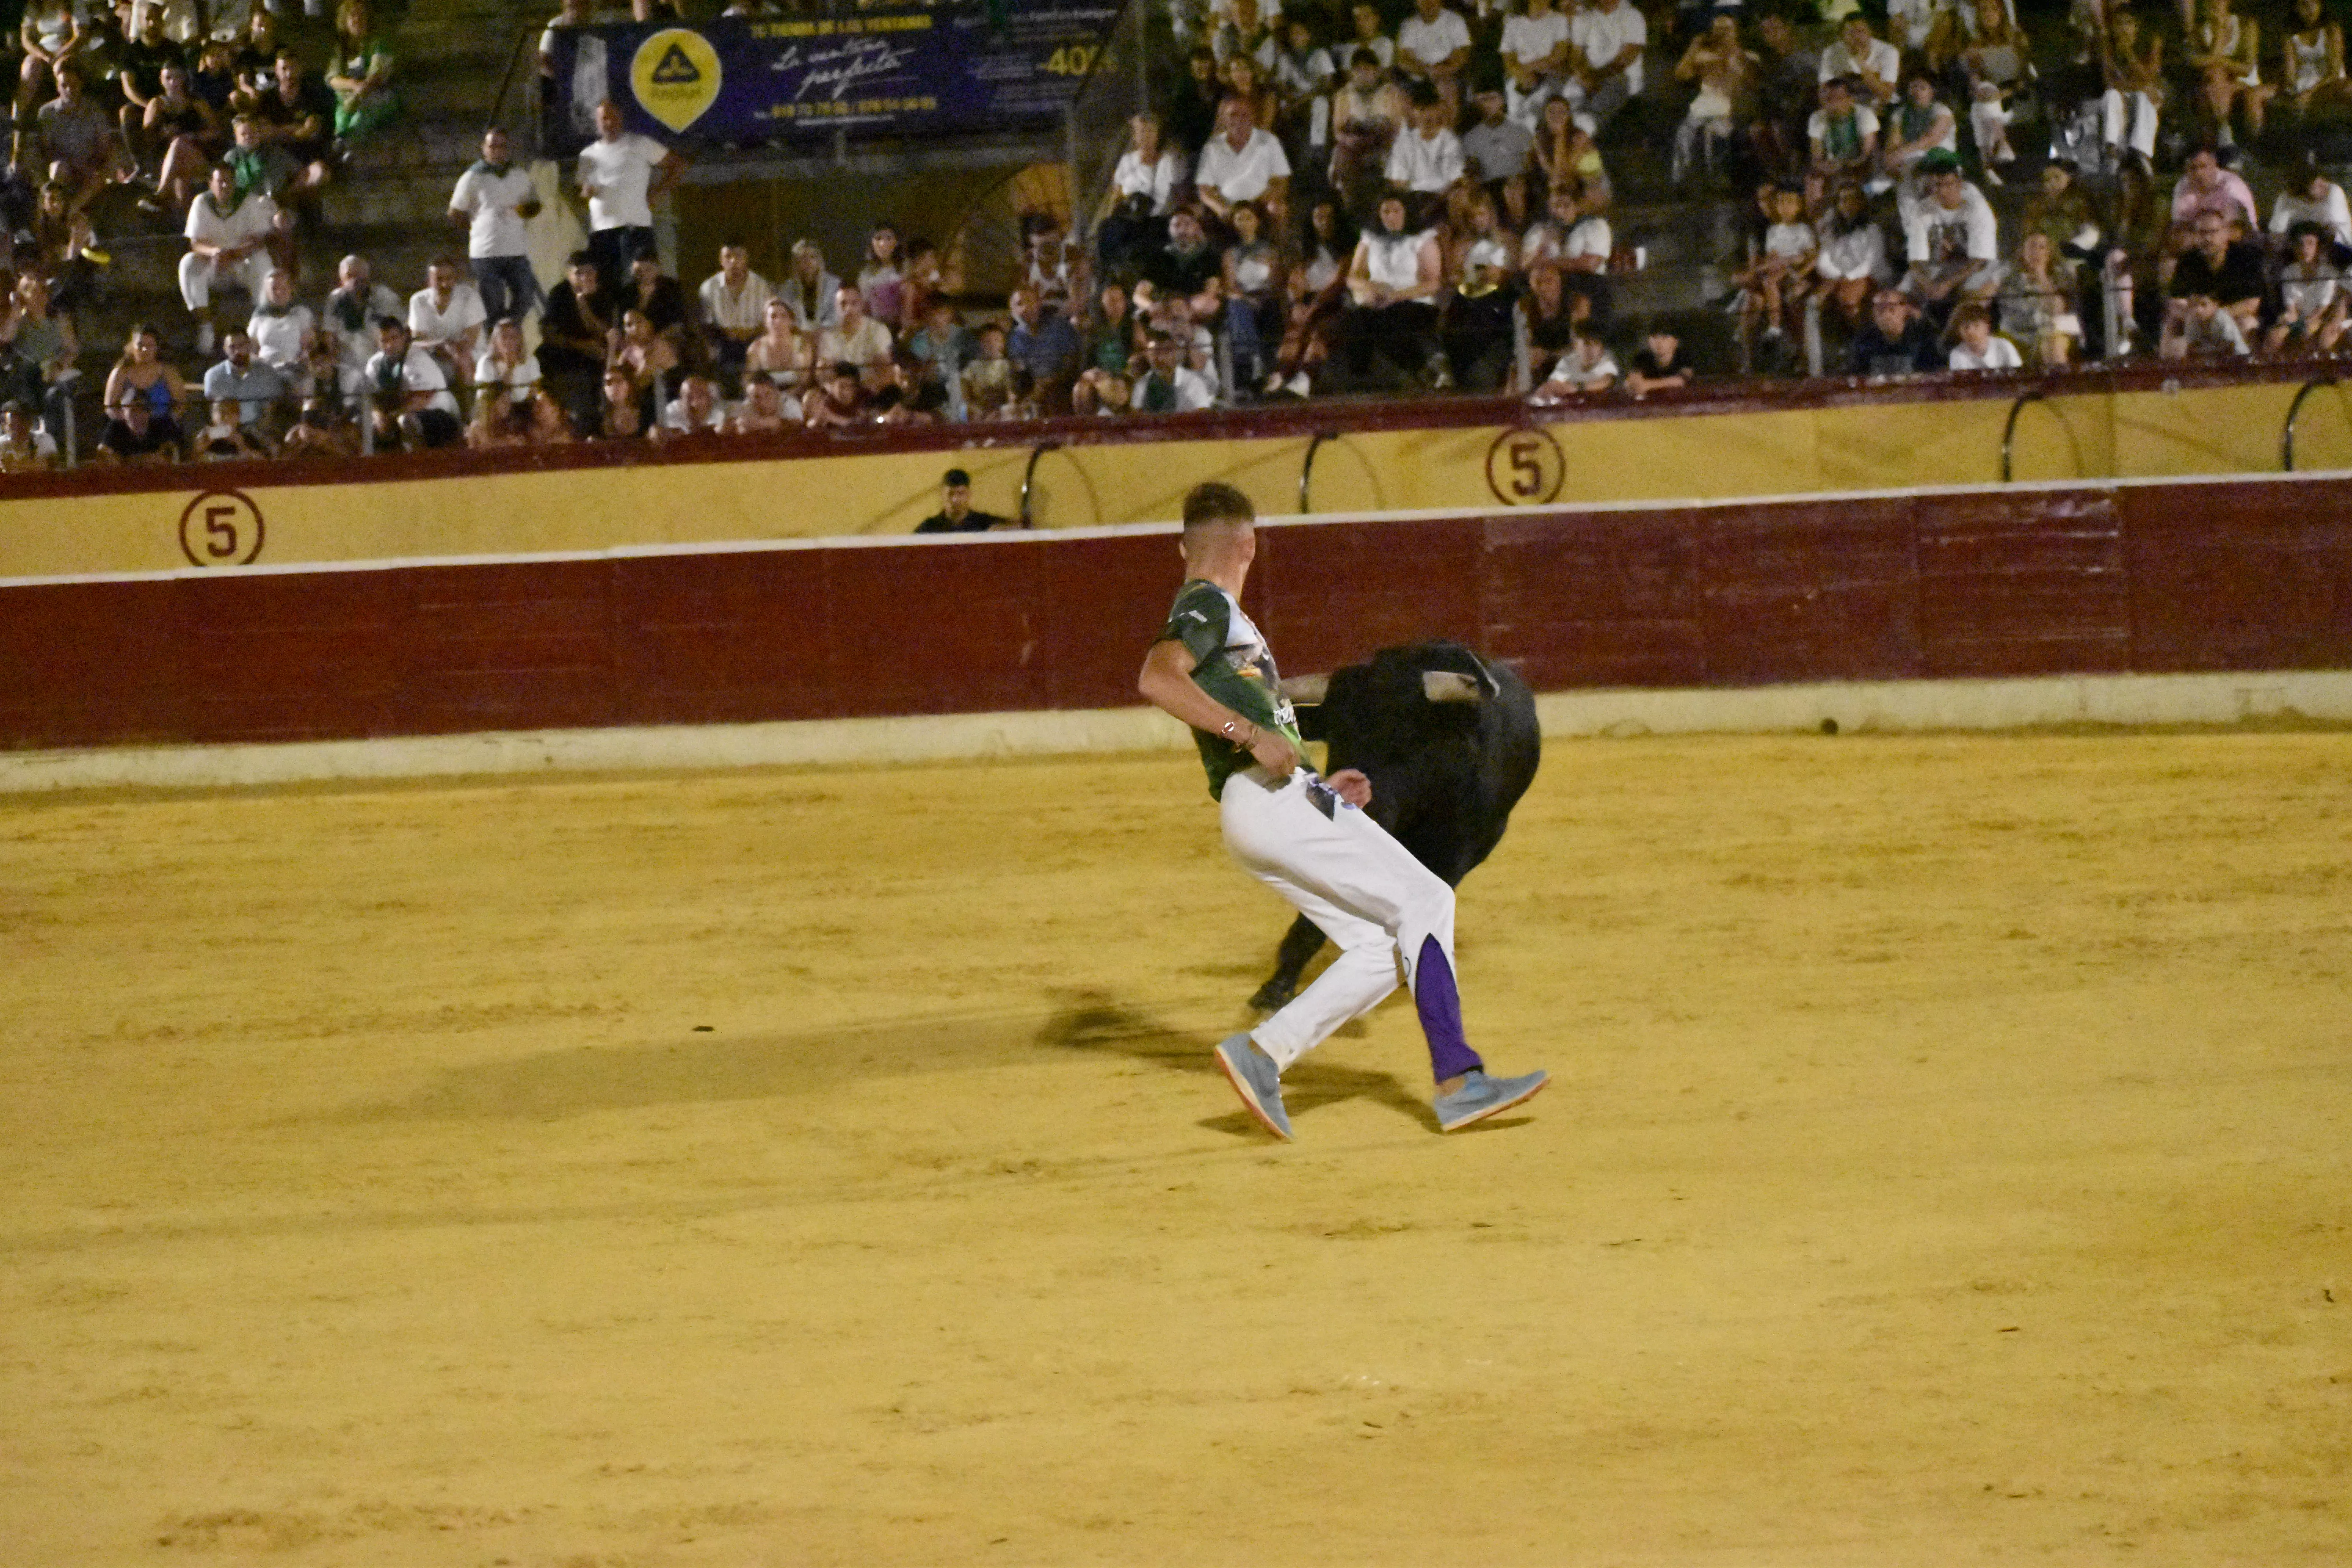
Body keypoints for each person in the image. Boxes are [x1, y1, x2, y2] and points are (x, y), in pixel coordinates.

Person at [1134, 480, 1550, 1142]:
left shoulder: (1224, 619)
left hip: (1277, 802)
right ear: (1250, 544)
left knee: (1383, 945)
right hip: (1264, 798)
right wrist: (1252, 738)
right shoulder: (1209, 606)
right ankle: (1459, 1081)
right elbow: (1157, 677)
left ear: (1184, 545)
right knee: (1429, 900)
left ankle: (1264, 1054)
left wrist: (1322, 785)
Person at [575, 98, 684, 285]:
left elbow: (678, 165)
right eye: (604, 119)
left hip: (635, 228)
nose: (609, 123)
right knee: (606, 288)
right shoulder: (587, 155)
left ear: (621, 119)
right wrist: (585, 192)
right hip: (601, 231)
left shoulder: (640, 144)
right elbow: (582, 191)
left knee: (638, 286)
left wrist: (656, 195)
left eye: (613, 118)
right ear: (597, 122)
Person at [181, 161, 284, 356]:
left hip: (243, 264)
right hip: (215, 266)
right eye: (220, 182)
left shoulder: (249, 201)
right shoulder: (201, 203)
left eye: (229, 182)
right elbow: (195, 243)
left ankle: (261, 326)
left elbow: (259, 241)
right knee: (188, 263)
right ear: (210, 183)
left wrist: (233, 254)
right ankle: (206, 330)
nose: (225, 186)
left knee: (262, 262)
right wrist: (214, 253)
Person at [448, 126, 544, 325]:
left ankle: (509, 329)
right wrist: (476, 228)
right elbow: (455, 212)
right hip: (486, 253)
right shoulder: (472, 177)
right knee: (493, 304)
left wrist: (522, 211)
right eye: (493, 146)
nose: (498, 151)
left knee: (526, 295)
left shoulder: (518, 175)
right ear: (484, 148)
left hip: (516, 250)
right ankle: (497, 338)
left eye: (502, 146)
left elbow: (534, 204)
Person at [363, 316, 462, 449]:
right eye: (384, 341)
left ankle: (418, 466)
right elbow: (371, 398)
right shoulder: (375, 364)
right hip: (400, 413)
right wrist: (379, 417)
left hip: (440, 414)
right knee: (367, 425)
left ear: (404, 337)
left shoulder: (417, 358)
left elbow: (421, 400)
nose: (390, 345)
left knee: (407, 421)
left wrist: (390, 418)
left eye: (394, 338)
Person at [408, 256, 488, 392]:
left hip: (470, 355)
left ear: (455, 278)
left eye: (450, 278)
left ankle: (469, 406)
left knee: (462, 358)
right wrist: (443, 345)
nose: (445, 284)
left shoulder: (470, 297)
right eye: (439, 279)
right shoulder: (418, 301)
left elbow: (469, 342)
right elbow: (418, 340)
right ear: (429, 281)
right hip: (435, 355)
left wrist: (447, 349)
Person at [201, 329, 286, 427]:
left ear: (249, 346)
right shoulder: (214, 376)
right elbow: (214, 413)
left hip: (259, 429)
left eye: (242, 346)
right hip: (226, 430)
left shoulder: (266, 372)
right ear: (225, 349)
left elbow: (271, 409)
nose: (238, 351)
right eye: (232, 347)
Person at [915, 467, 1016, 533]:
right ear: (942, 495)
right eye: (950, 494)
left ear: (969, 495)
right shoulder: (930, 528)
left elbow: (1020, 527)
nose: (955, 500)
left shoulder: (983, 523)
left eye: (961, 493)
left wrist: (1003, 530)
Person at [1944, 301, 2022, 369]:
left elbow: (2019, 377)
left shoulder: (2004, 346)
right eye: (1966, 328)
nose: (1970, 332)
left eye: (1976, 326)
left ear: (1987, 327)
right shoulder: (1957, 355)